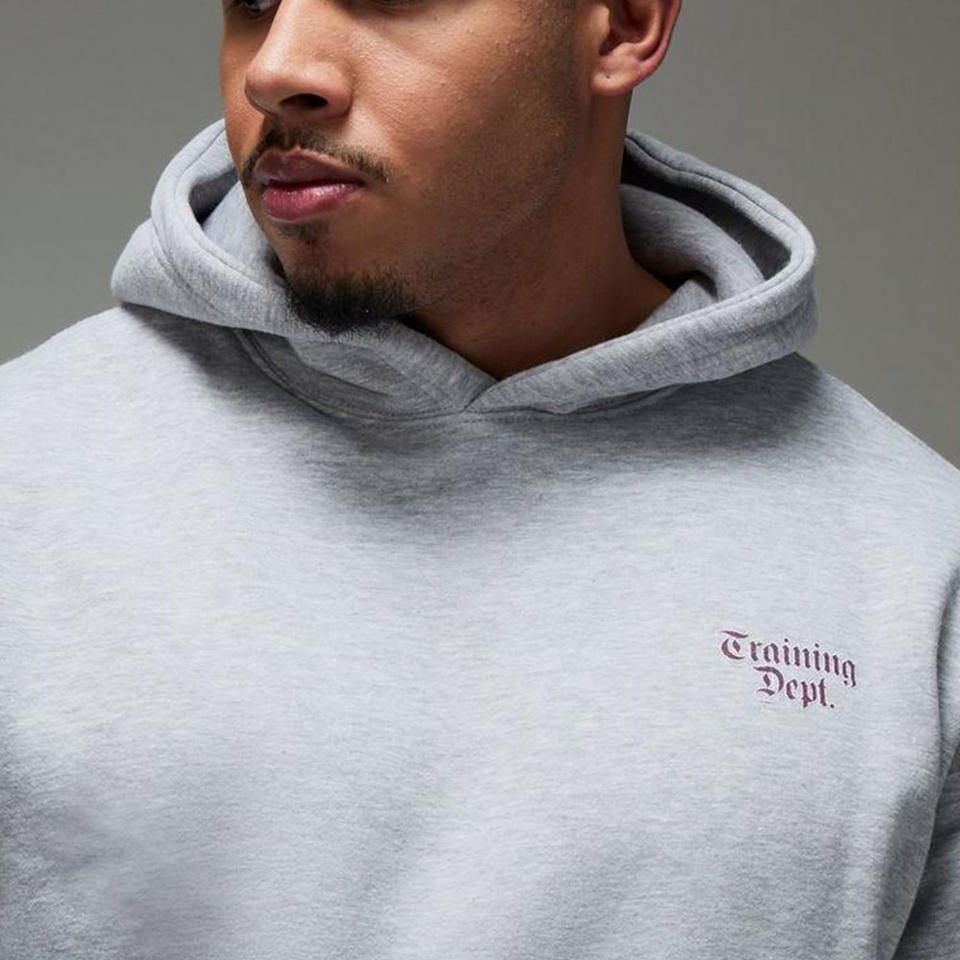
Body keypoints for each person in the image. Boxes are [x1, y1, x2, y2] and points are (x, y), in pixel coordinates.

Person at [0, 0, 957, 957]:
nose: (276, 67)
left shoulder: (914, 566)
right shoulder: (24, 478)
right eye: (253, 1)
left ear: (624, 24)